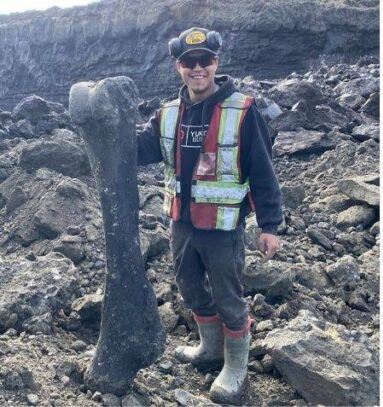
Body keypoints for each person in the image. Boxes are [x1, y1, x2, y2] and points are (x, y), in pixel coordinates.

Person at [136, 27, 283, 403]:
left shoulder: (243, 110)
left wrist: (269, 226)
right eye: (189, 62)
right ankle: (210, 348)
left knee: (228, 297)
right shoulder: (167, 114)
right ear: (178, 66)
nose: (197, 68)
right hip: (181, 224)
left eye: (205, 61)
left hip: (222, 227)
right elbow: (138, 151)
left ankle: (235, 370)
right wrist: (107, 129)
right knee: (189, 288)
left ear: (216, 62)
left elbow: (263, 171)